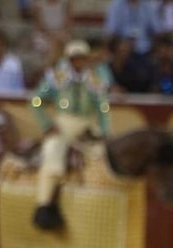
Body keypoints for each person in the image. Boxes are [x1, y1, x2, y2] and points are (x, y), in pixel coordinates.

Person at [29, 39, 111, 231]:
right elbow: (36, 101)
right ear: (69, 60)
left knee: (101, 158)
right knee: (52, 155)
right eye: (75, 59)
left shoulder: (95, 79)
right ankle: (44, 205)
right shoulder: (58, 77)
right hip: (64, 124)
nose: (78, 63)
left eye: (81, 59)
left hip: (88, 126)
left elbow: (103, 107)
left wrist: (106, 132)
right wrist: (46, 124)